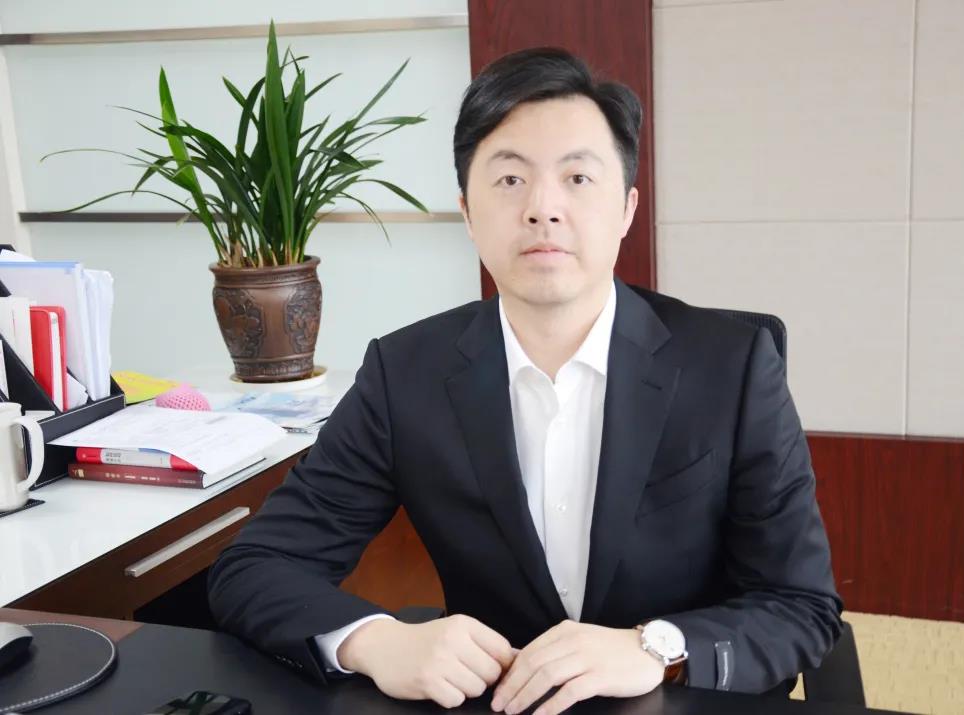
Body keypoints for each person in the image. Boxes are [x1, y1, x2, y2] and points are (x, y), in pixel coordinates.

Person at [207, 47, 842, 715]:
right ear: (467, 212)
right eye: (510, 179)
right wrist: (376, 640)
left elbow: (799, 605)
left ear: (626, 209)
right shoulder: (406, 373)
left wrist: (656, 648)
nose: (543, 208)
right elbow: (255, 568)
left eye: (577, 177)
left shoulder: (732, 366)